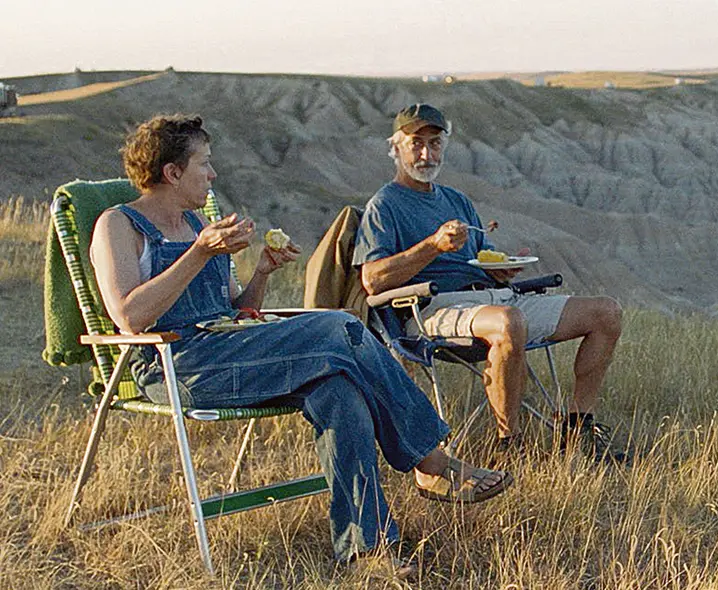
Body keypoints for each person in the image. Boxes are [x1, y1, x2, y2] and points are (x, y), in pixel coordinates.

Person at [89, 113, 513, 578]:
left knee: (339, 391)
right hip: (178, 365)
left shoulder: (195, 225)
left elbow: (236, 311)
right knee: (339, 326)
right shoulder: (119, 225)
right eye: (204, 165)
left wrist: (262, 272)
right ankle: (429, 460)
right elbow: (129, 316)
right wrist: (200, 254)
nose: (212, 175)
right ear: (172, 173)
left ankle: (365, 552)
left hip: (233, 351)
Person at [353, 104, 626, 462]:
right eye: (416, 143)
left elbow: (483, 258)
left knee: (606, 312)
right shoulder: (384, 205)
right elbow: (372, 280)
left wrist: (502, 267)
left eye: (434, 144)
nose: (426, 153)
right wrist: (432, 246)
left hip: (495, 297)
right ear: (397, 147)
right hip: (431, 308)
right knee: (508, 321)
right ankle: (508, 446)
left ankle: (577, 430)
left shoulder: (457, 201)